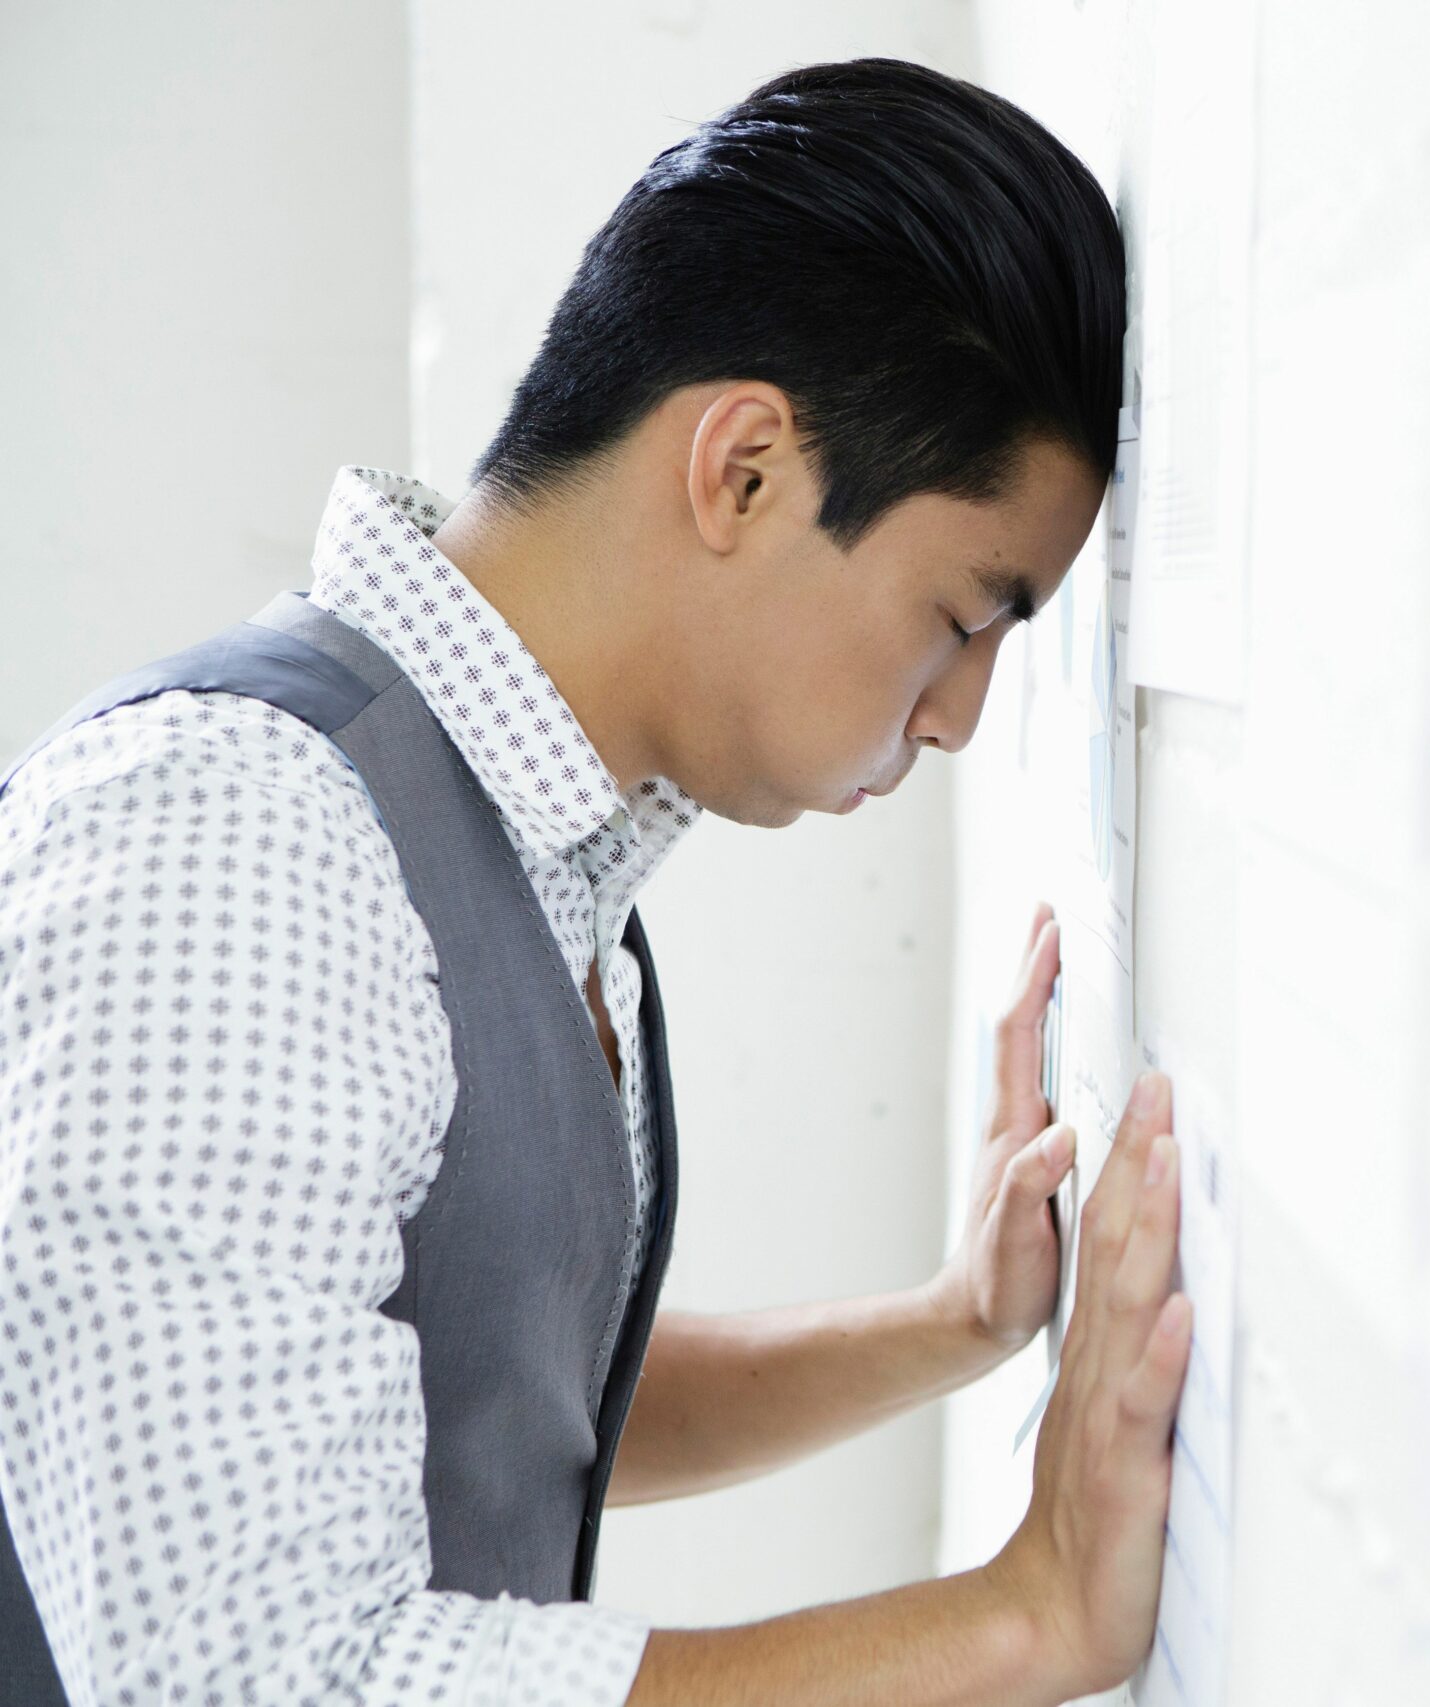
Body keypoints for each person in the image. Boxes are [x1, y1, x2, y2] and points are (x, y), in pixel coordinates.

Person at [0, 57, 1184, 1707]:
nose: (958, 715)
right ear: (745, 467)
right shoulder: (237, 832)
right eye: (965, 614)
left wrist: (953, 1323)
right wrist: (1024, 1616)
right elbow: (254, 1679)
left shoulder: (521, 854)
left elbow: (486, 1398)